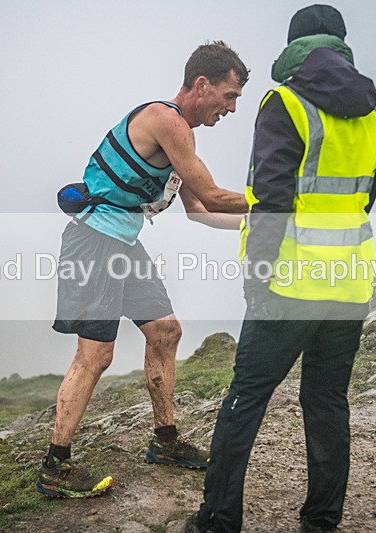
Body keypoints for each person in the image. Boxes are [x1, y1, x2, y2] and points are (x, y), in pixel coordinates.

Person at [185, 5, 376, 532]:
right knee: (327, 401)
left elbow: (271, 201)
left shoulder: (285, 103)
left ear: (295, 48)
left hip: (290, 283)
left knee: (246, 398)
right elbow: (363, 200)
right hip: (350, 284)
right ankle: (321, 521)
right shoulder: (373, 117)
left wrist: (258, 275)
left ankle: (217, 521)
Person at [36, 41, 250, 499]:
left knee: (165, 331)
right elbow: (213, 195)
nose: (231, 108)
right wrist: (285, 201)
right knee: (95, 356)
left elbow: (199, 211)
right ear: (202, 84)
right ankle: (55, 467)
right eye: (229, 96)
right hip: (93, 242)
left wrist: (267, 224)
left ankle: (165, 442)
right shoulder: (165, 120)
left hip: (122, 245)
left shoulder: (179, 136)